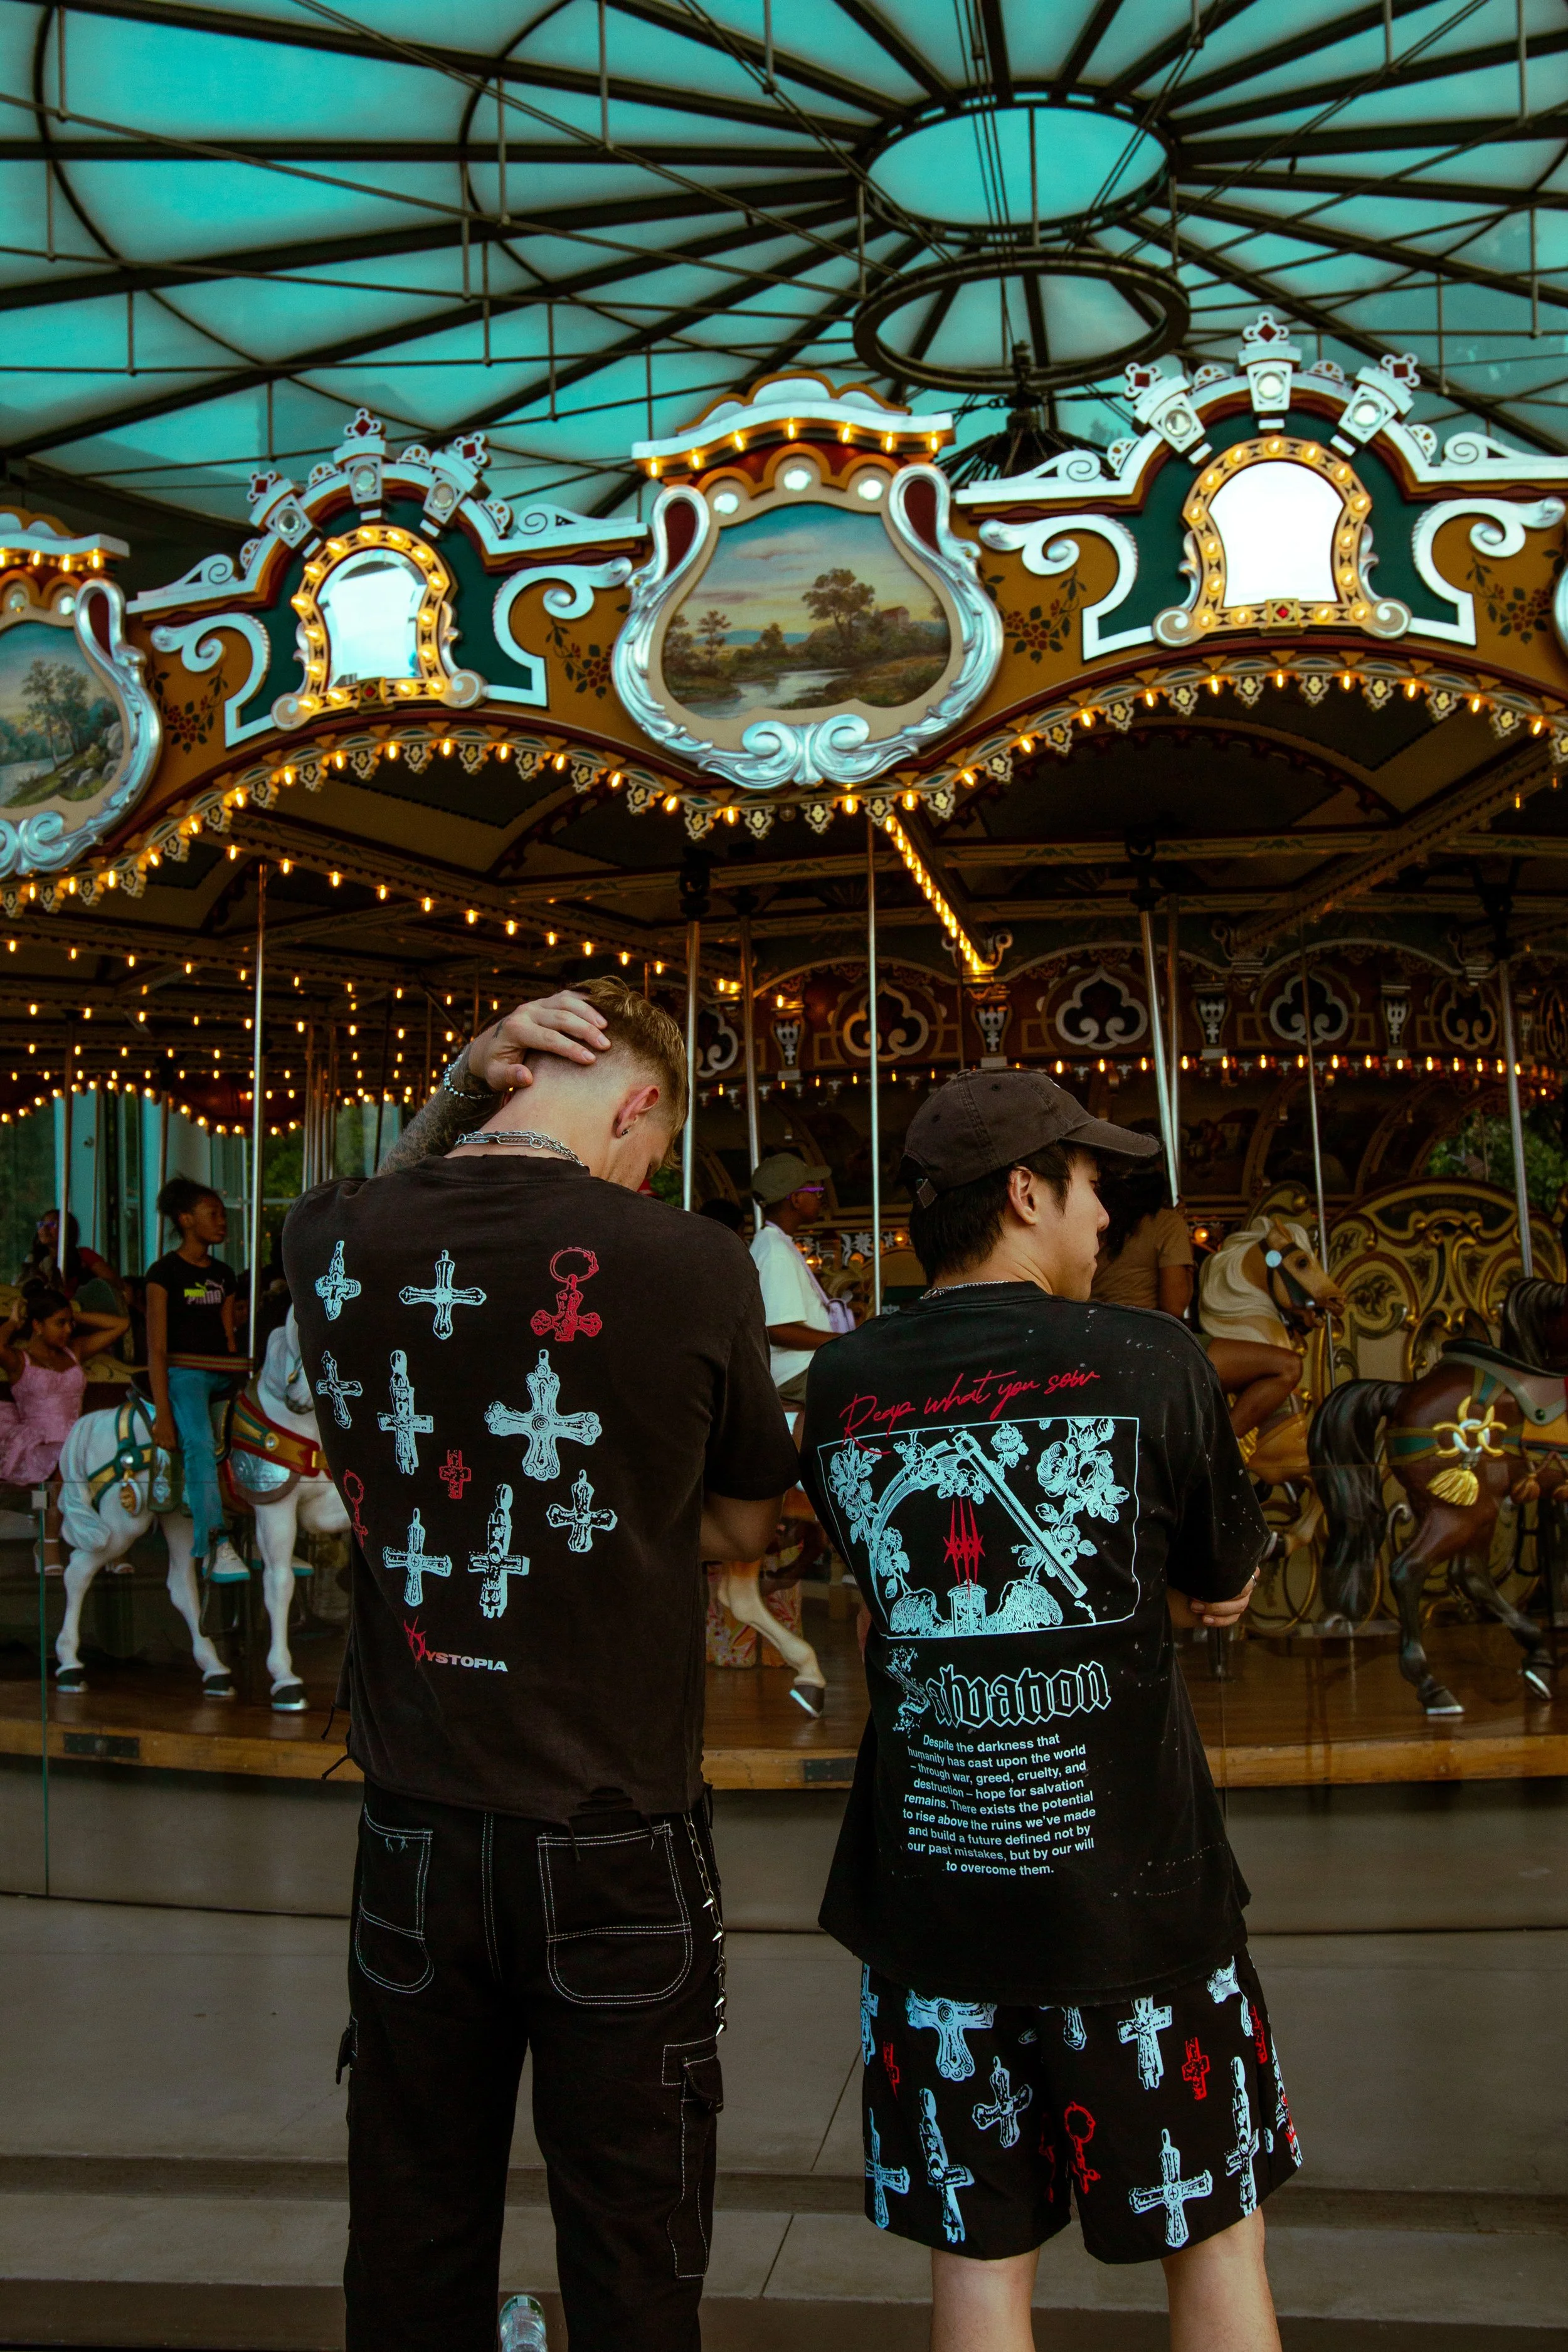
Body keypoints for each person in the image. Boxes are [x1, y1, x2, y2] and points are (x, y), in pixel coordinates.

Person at [284, 980, 797, 2352]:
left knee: (408, 2223)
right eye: (652, 1148)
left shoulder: (328, 1234)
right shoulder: (692, 1263)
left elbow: (389, 1208)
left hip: (414, 1833)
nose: (644, 1179)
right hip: (612, 1829)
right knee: (633, 2238)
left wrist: (459, 1084)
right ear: (637, 1104)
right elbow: (747, 1517)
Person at [800, 1069, 1293, 2352]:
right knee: (1214, 2237)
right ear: (1025, 1193)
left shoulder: (841, 1380)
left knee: (977, 2266)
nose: (1102, 1227)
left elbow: (887, 1596)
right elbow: (1221, 1576)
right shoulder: (1146, 1356)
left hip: (933, 1906)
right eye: (1090, 1196)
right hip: (1131, 1903)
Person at [1094, 1168, 1300, 1448]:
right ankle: (1216, 1450)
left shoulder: (1098, 1226)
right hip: (1153, 1343)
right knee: (1287, 1366)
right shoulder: (1166, 1223)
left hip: (1100, 1341)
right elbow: (1174, 1305)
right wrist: (1185, 1254)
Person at [145, 1177, 250, 1586]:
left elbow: (227, 1334)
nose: (222, 1222)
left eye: (223, 1215)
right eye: (213, 1215)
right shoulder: (163, 1274)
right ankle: (214, 1537)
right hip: (184, 1371)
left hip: (222, 1370)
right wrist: (164, 1415)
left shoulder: (224, 1274)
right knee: (200, 1441)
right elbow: (156, 1347)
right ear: (186, 1220)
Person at [0, 1287, 129, 1569]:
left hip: (79, 1439)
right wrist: (12, 1322)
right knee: (66, 1462)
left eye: (70, 1323)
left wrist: (75, 1314)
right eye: (60, 1323)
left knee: (111, 1460)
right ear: (37, 1325)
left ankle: (110, 1543)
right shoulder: (19, 1360)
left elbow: (121, 1324)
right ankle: (48, 1545)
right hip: (38, 1443)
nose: (68, 1330)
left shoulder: (75, 1352)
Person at [749, 1151, 853, 1406]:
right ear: (796, 1200)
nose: (820, 1197)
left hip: (803, 1366)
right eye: (815, 1191)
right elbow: (775, 1328)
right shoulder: (775, 1252)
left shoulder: (776, 1243)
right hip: (796, 1372)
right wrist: (843, 1342)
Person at [1092, 1163, 1194, 1316]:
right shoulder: (1168, 1223)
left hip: (1091, 1321)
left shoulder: (1097, 1219)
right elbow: (1174, 1306)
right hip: (1143, 1329)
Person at [23, 1209, 127, 1306]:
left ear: (66, 1229)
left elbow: (113, 1282)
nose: (45, 1229)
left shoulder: (83, 1255)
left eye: (52, 1224)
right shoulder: (33, 1259)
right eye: (42, 1224)